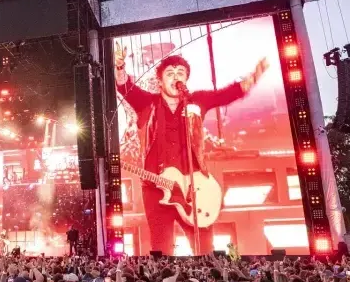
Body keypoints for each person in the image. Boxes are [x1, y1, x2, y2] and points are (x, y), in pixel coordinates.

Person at [114, 47, 267, 255]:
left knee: (204, 249)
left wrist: (252, 78)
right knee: (162, 248)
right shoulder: (148, 103)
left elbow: (225, 95)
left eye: (180, 74)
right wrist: (120, 66)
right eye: (170, 73)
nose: (176, 77)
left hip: (194, 188)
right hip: (156, 187)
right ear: (159, 82)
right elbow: (126, 88)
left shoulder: (197, 101)